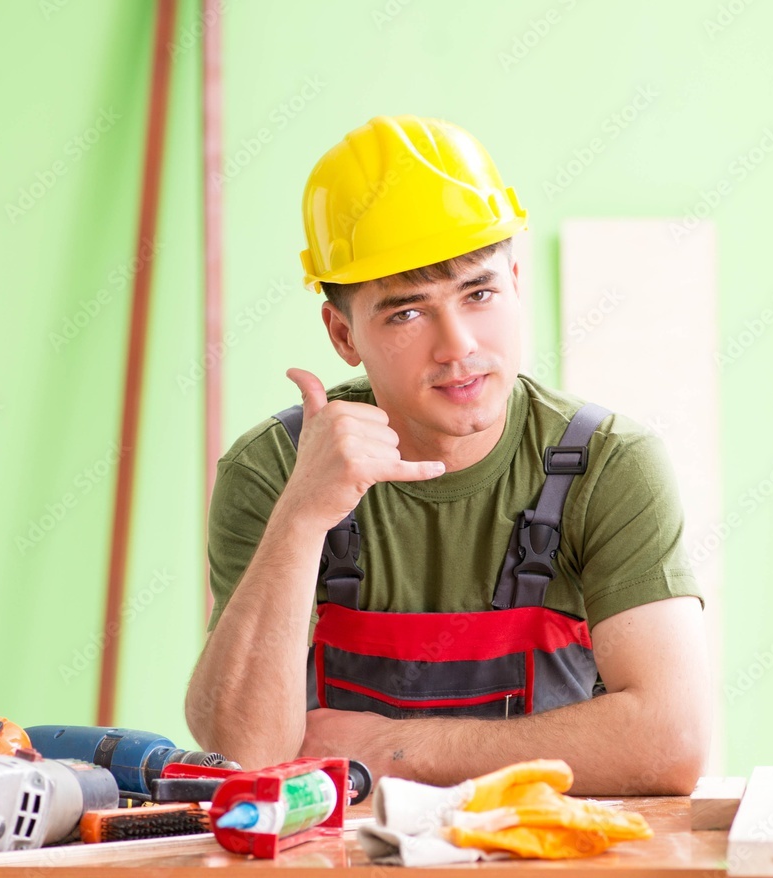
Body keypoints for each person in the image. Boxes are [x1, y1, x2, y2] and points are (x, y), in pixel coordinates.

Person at [185, 115, 710, 795]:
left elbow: (670, 745)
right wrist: (302, 515)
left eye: (480, 293)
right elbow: (248, 754)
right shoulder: (274, 470)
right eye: (407, 313)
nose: (457, 343)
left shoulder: (609, 467)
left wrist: (392, 749)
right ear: (343, 334)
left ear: (516, 282)